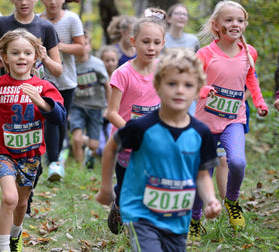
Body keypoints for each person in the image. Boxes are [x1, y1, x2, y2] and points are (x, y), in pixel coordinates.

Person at [98, 48, 222, 252]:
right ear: (158, 86)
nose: (180, 90)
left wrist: (210, 199)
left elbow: (202, 174)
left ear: (198, 90)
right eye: (172, 84)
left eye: (188, 85)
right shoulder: (141, 127)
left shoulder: (202, 133)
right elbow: (112, 145)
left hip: (178, 218)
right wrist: (106, 187)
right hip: (141, 214)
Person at [0, 29, 66, 252]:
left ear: (35, 57)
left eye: (27, 53)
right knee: (10, 199)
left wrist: (41, 102)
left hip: (31, 154)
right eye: (15, 53)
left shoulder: (44, 87)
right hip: (4, 151)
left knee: (22, 202)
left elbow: (60, 118)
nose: (21, 57)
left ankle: (16, 233)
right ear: (4, 57)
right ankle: (3, 248)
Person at [190, 0, 268, 236]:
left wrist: (260, 101)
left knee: (238, 162)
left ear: (245, 24)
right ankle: (194, 220)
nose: (235, 24)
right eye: (229, 20)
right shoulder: (204, 54)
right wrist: (203, 91)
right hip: (204, 124)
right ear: (216, 26)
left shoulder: (249, 52)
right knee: (203, 172)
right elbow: (192, 83)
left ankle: (232, 202)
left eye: (240, 20)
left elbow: (251, 78)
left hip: (234, 120)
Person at [97, 7, 166, 235]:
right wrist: (134, 132)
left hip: (154, 141)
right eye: (146, 42)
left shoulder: (163, 71)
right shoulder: (123, 73)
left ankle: (142, 231)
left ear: (163, 44)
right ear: (133, 41)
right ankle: (119, 204)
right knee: (128, 188)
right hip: (126, 140)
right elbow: (112, 112)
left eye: (157, 42)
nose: (151, 47)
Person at [39, 0, 85, 181]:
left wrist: (57, 46)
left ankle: (55, 158)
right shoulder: (36, 20)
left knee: (60, 121)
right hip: (43, 79)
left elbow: (81, 48)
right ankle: (53, 162)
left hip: (66, 81)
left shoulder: (72, 19)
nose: (52, 1)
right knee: (49, 121)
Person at [0, 0, 62, 79]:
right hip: (8, 87)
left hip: (35, 88)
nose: (24, 3)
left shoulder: (46, 27)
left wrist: (45, 58)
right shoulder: (0, 23)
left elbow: (58, 71)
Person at [70, 32, 109, 169]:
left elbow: (107, 85)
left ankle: (87, 149)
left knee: (94, 145)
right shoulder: (71, 65)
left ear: (89, 46)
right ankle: (80, 170)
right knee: (76, 138)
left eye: (85, 44)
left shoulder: (97, 64)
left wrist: (109, 107)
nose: (82, 48)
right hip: (77, 106)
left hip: (95, 107)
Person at [164, 3, 200, 116]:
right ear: (169, 18)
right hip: (167, 84)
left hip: (188, 86)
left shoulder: (193, 40)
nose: (181, 16)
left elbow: (198, 63)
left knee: (190, 118)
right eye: (178, 14)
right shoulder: (161, 38)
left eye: (184, 14)